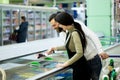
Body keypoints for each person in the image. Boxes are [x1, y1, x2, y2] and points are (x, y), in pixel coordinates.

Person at [48, 12, 109, 80]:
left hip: (91, 60)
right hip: (81, 63)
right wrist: (55, 48)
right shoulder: (65, 32)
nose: (54, 27)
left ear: (61, 21)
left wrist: (100, 51)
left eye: (54, 25)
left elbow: (92, 36)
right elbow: (70, 47)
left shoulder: (75, 28)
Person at [47, 12, 91, 80]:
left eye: (59, 24)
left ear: (64, 22)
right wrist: (54, 48)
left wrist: (65, 64)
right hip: (76, 66)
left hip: (80, 68)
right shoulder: (69, 32)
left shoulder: (74, 33)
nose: (59, 26)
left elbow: (80, 53)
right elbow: (69, 46)